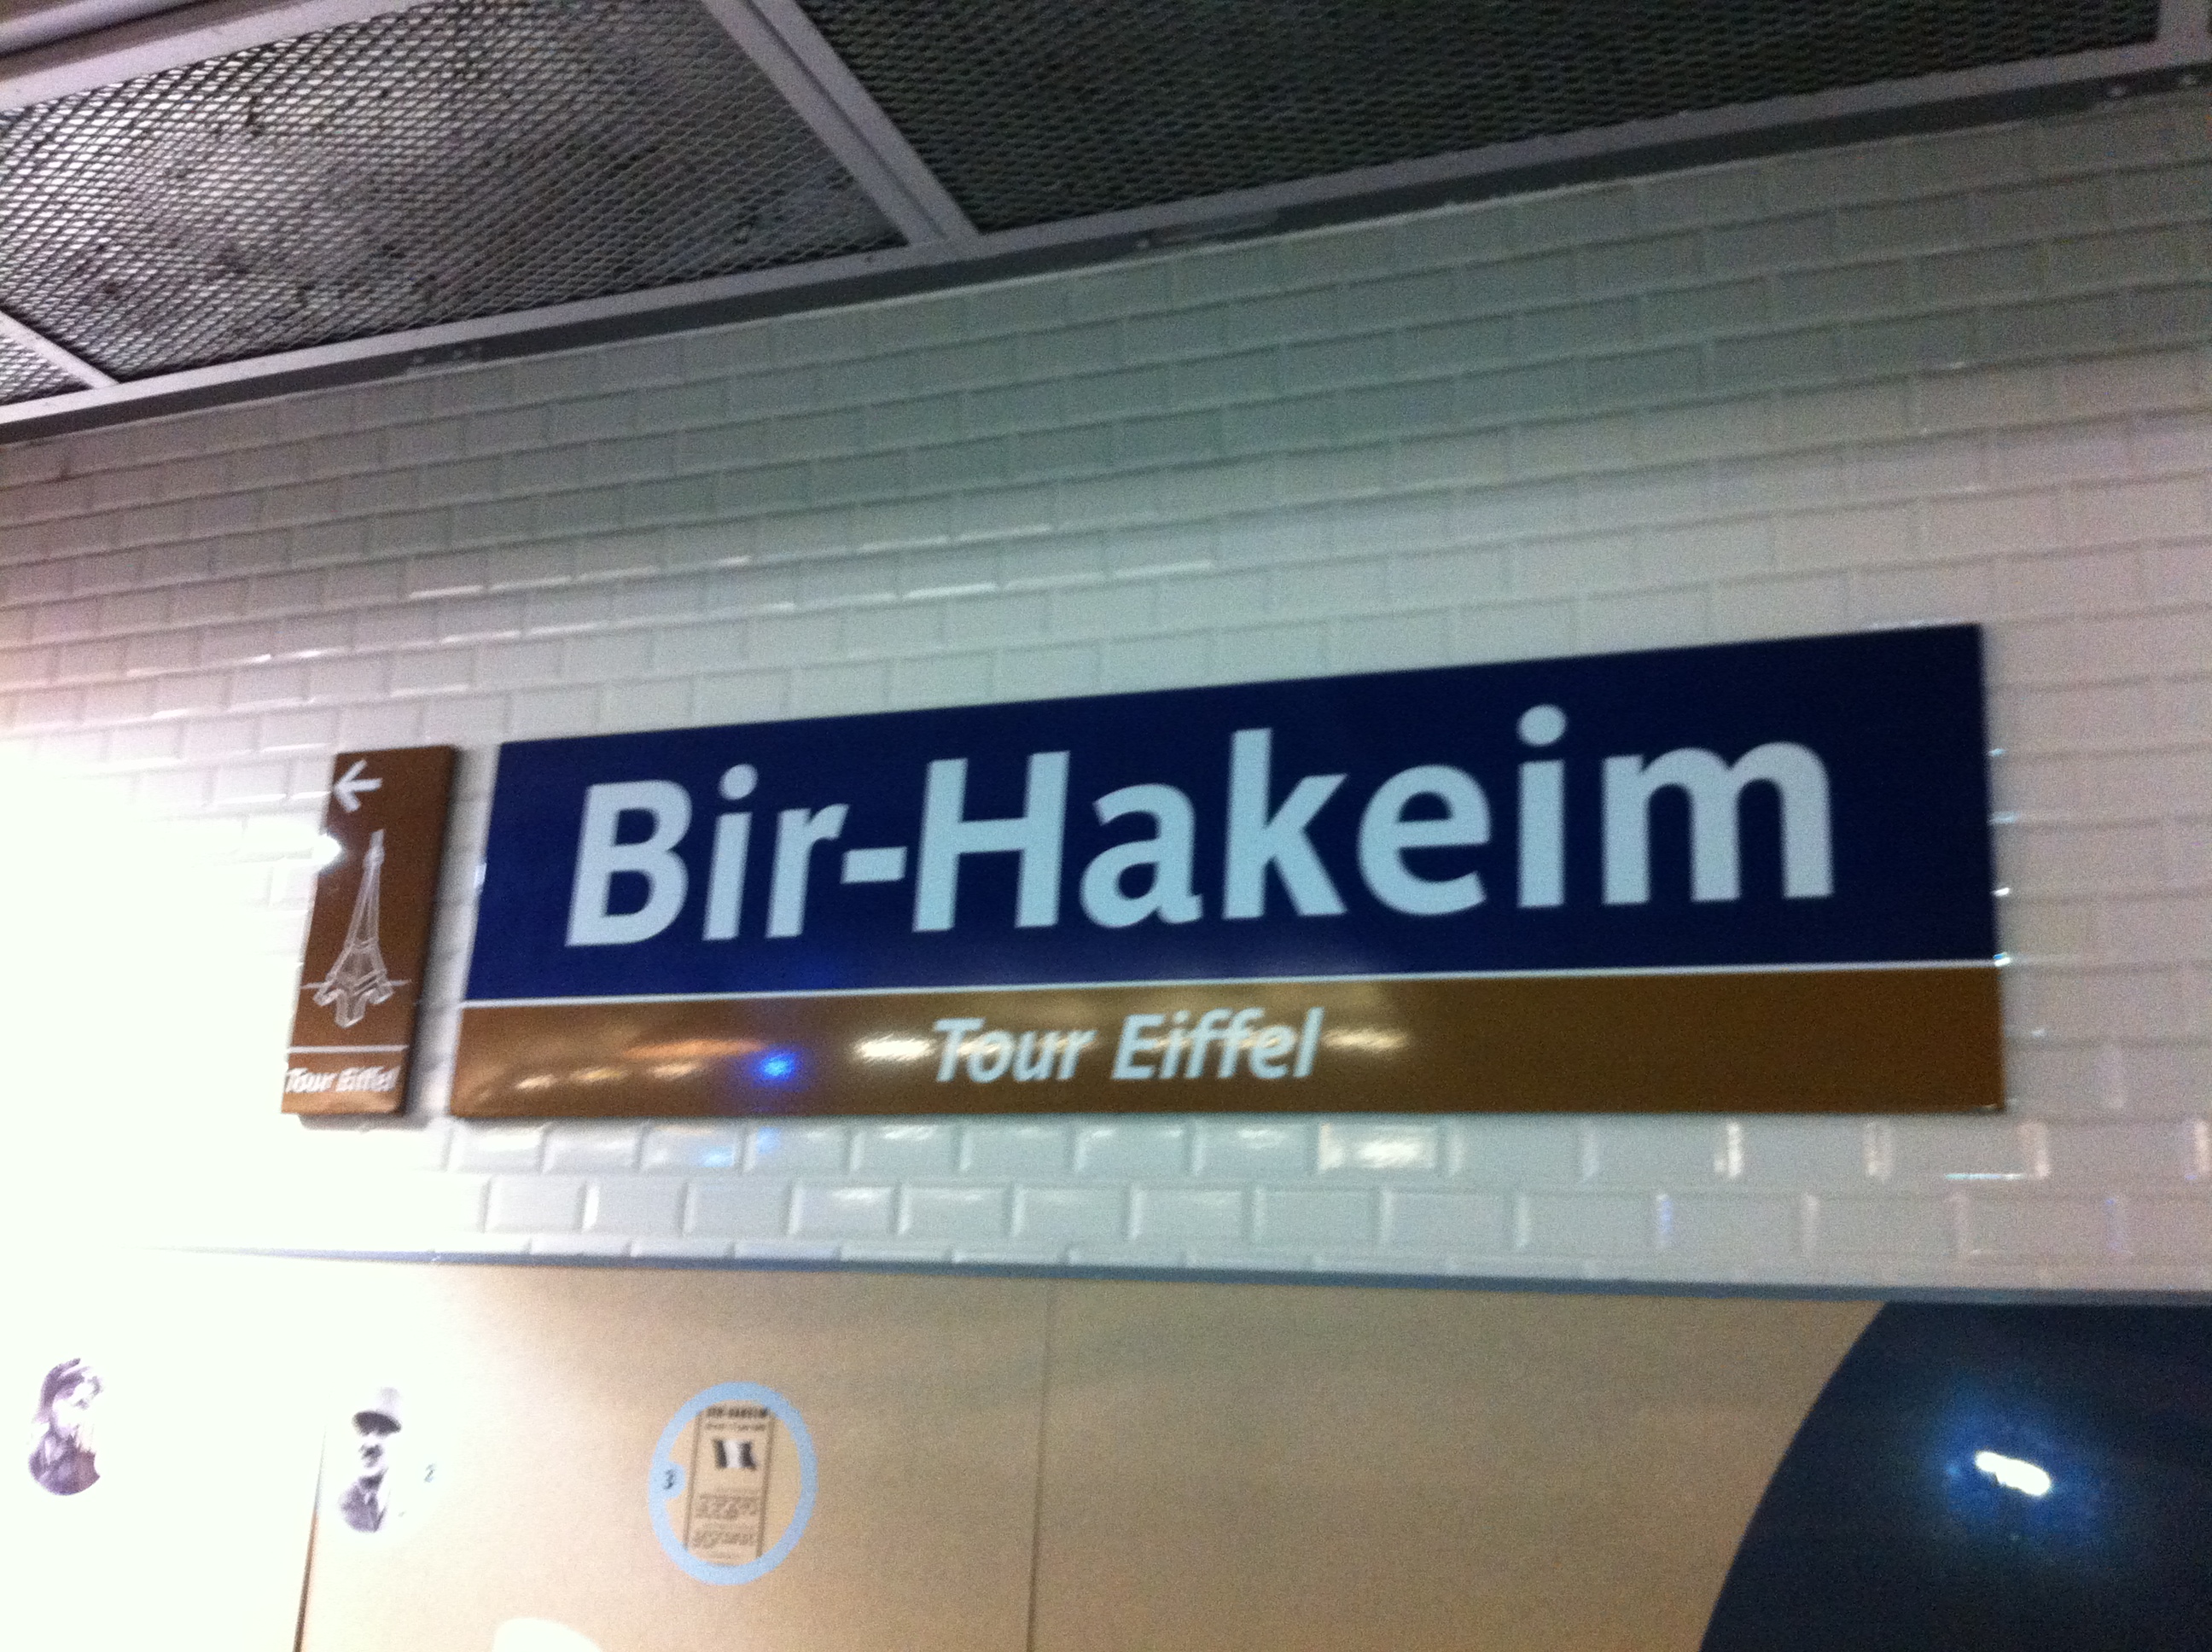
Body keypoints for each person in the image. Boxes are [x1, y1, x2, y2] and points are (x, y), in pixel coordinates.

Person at [28, 1358, 101, 1496]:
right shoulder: (31, 1444)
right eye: (68, 1395)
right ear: (53, 1400)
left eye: (83, 1405)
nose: (71, 1412)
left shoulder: (81, 1465)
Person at [337, 1386, 403, 1533]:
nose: (370, 1443)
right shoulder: (340, 1507)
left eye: (383, 1431)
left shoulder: (411, 1503)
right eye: (364, 1431)